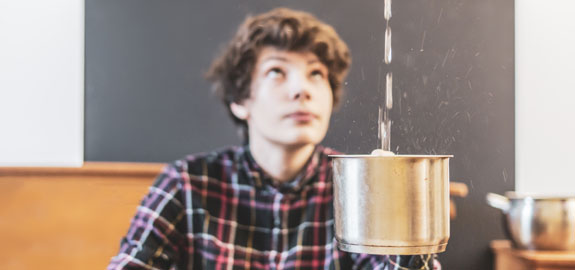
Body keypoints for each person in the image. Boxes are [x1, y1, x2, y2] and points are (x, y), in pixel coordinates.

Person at [108, 7, 440, 270]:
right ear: (240, 100)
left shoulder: (357, 186)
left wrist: (408, 226)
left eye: (316, 74)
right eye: (277, 72)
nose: (302, 89)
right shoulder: (187, 184)